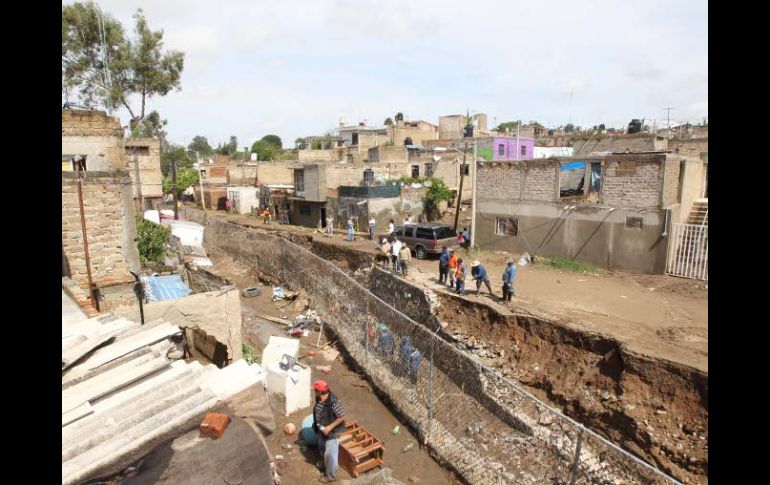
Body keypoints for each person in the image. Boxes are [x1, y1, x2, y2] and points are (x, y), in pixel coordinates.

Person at [312, 380, 346, 483]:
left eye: (315, 391)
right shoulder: (320, 397)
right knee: (322, 448)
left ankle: (330, 476)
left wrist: (329, 428)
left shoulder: (334, 403)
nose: (314, 392)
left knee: (330, 455)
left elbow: (342, 417)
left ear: (319, 392)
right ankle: (324, 464)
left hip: (332, 433)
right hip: (321, 429)